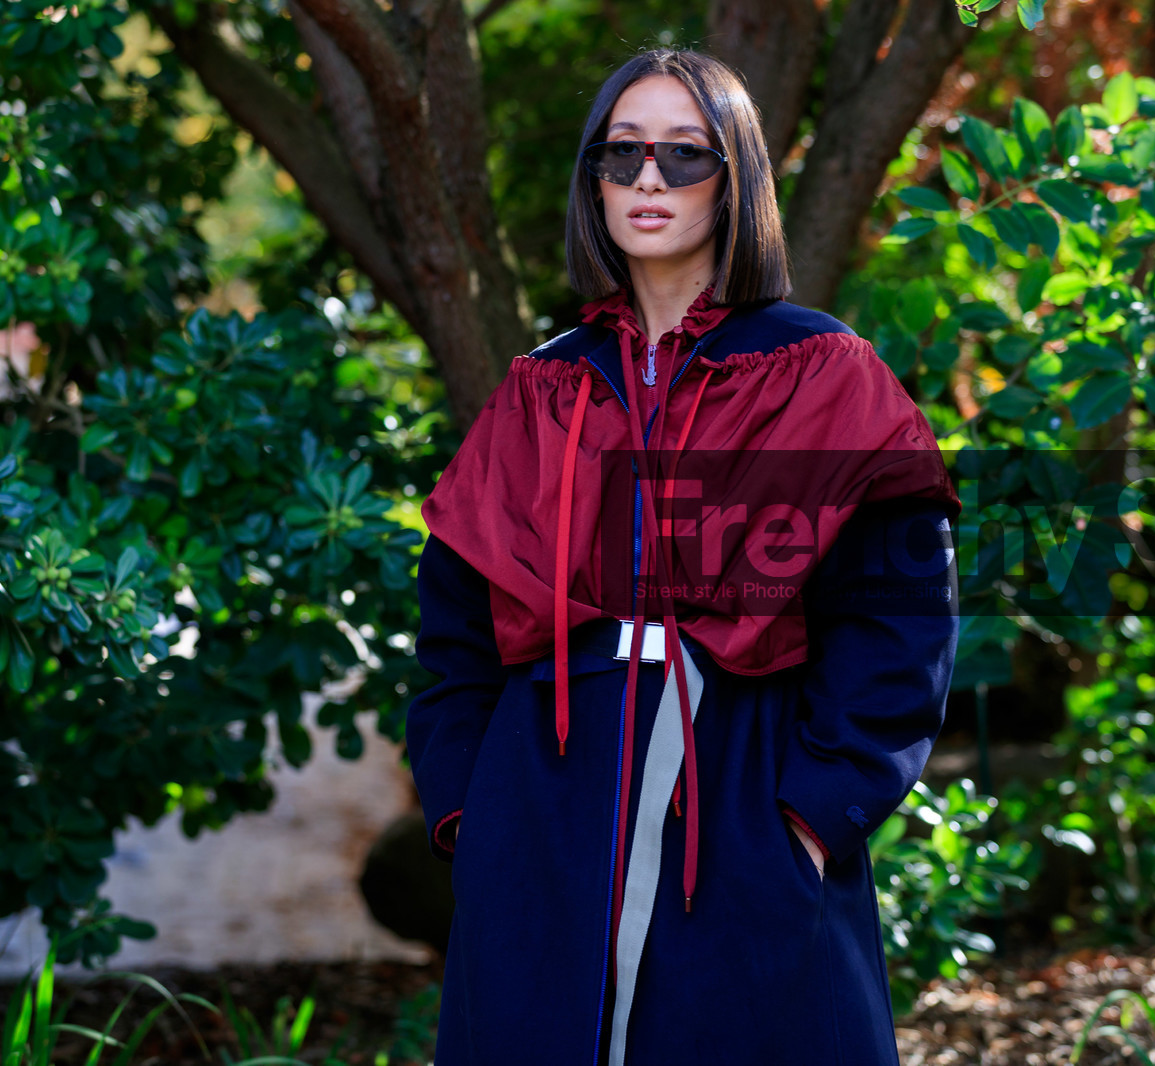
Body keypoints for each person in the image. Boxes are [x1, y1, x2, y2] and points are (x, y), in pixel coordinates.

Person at [406, 47, 961, 1066]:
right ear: (594, 182)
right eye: (622, 156)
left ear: (735, 175)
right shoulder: (542, 389)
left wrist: (812, 810)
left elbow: (900, 615)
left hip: (744, 799)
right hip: (543, 812)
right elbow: (454, 635)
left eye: (682, 154)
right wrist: (468, 814)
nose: (649, 180)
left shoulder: (822, 372)